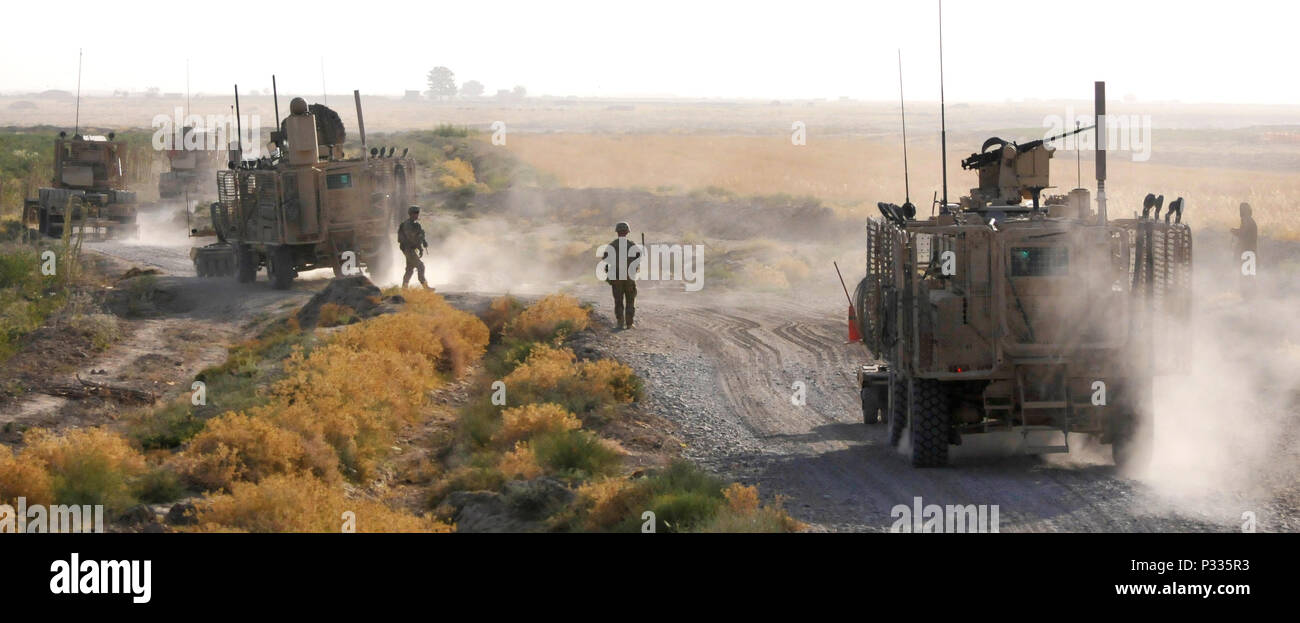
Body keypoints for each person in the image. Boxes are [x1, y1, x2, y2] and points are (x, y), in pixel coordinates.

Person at [602, 221, 641, 329]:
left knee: (618, 300)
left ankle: (620, 322)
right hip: (629, 277)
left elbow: (605, 259)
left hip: (616, 277)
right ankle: (629, 323)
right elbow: (638, 259)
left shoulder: (612, 245)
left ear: (617, 232)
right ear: (627, 232)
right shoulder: (632, 245)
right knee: (630, 300)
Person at [398, 205, 431, 289]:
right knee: (420, 266)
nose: (417, 215)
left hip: (411, 249)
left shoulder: (416, 225)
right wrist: (419, 239)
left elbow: (419, 236)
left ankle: (404, 287)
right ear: (410, 214)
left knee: (410, 268)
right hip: (407, 248)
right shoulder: (407, 224)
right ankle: (425, 286)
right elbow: (411, 238)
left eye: (417, 213)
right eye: (415, 213)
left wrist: (422, 243)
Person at [1231, 202, 1257, 299]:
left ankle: (1248, 296)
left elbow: (1243, 233)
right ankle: (1249, 296)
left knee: (1246, 276)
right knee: (1248, 275)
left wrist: (1233, 231)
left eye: (1241, 210)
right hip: (1249, 252)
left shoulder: (1247, 220)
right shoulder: (1249, 220)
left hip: (1247, 253)